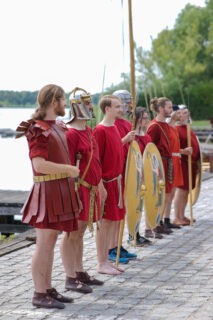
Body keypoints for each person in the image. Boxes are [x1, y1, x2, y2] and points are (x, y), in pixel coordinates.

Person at [16, 84, 81, 309]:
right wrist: (69, 170)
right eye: (63, 100)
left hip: (59, 191)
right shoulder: (37, 128)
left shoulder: (57, 126)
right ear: (54, 101)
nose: (66, 104)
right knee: (44, 245)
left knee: (50, 243)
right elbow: (39, 165)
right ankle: (39, 293)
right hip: (46, 192)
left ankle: (48, 288)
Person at [63, 88, 106, 294]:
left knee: (79, 233)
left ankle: (79, 271)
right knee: (72, 232)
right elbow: (69, 167)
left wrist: (101, 186)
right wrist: (72, 193)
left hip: (92, 188)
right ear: (76, 106)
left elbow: (95, 161)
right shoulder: (70, 134)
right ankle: (70, 276)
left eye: (91, 103)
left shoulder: (89, 130)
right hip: (78, 189)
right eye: (87, 103)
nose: (91, 107)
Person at [93, 95, 126, 275]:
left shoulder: (114, 128)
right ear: (107, 109)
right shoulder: (99, 130)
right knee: (103, 223)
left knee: (113, 221)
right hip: (105, 183)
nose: (121, 109)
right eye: (117, 106)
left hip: (117, 182)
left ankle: (107, 260)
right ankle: (101, 262)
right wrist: (100, 186)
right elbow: (96, 161)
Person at [113, 91, 151, 248]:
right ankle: (118, 244)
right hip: (120, 172)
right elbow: (114, 148)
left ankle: (133, 234)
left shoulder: (127, 125)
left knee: (136, 204)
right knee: (122, 209)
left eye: (131, 102)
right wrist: (124, 140)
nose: (130, 105)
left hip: (133, 170)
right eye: (127, 102)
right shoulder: (113, 125)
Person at [147, 97, 173, 237]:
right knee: (156, 195)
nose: (171, 110)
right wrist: (154, 166)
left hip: (166, 162)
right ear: (161, 109)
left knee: (164, 195)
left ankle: (159, 222)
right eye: (169, 107)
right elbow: (149, 149)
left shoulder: (165, 125)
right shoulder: (154, 126)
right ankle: (152, 225)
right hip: (158, 164)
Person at [173, 106, 199, 225]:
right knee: (181, 191)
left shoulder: (188, 128)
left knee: (186, 191)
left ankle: (182, 216)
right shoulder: (177, 129)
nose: (185, 115)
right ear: (178, 115)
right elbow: (174, 147)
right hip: (183, 163)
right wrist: (184, 151)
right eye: (183, 113)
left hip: (191, 164)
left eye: (187, 113)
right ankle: (177, 217)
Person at [161, 104, 184, 229]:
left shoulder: (173, 128)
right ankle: (162, 220)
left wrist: (182, 151)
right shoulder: (167, 128)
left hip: (176, 160)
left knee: (172, 192)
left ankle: (167, 218)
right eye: (178, 113)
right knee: (167, 193)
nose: (180, 115)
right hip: (171, 161)